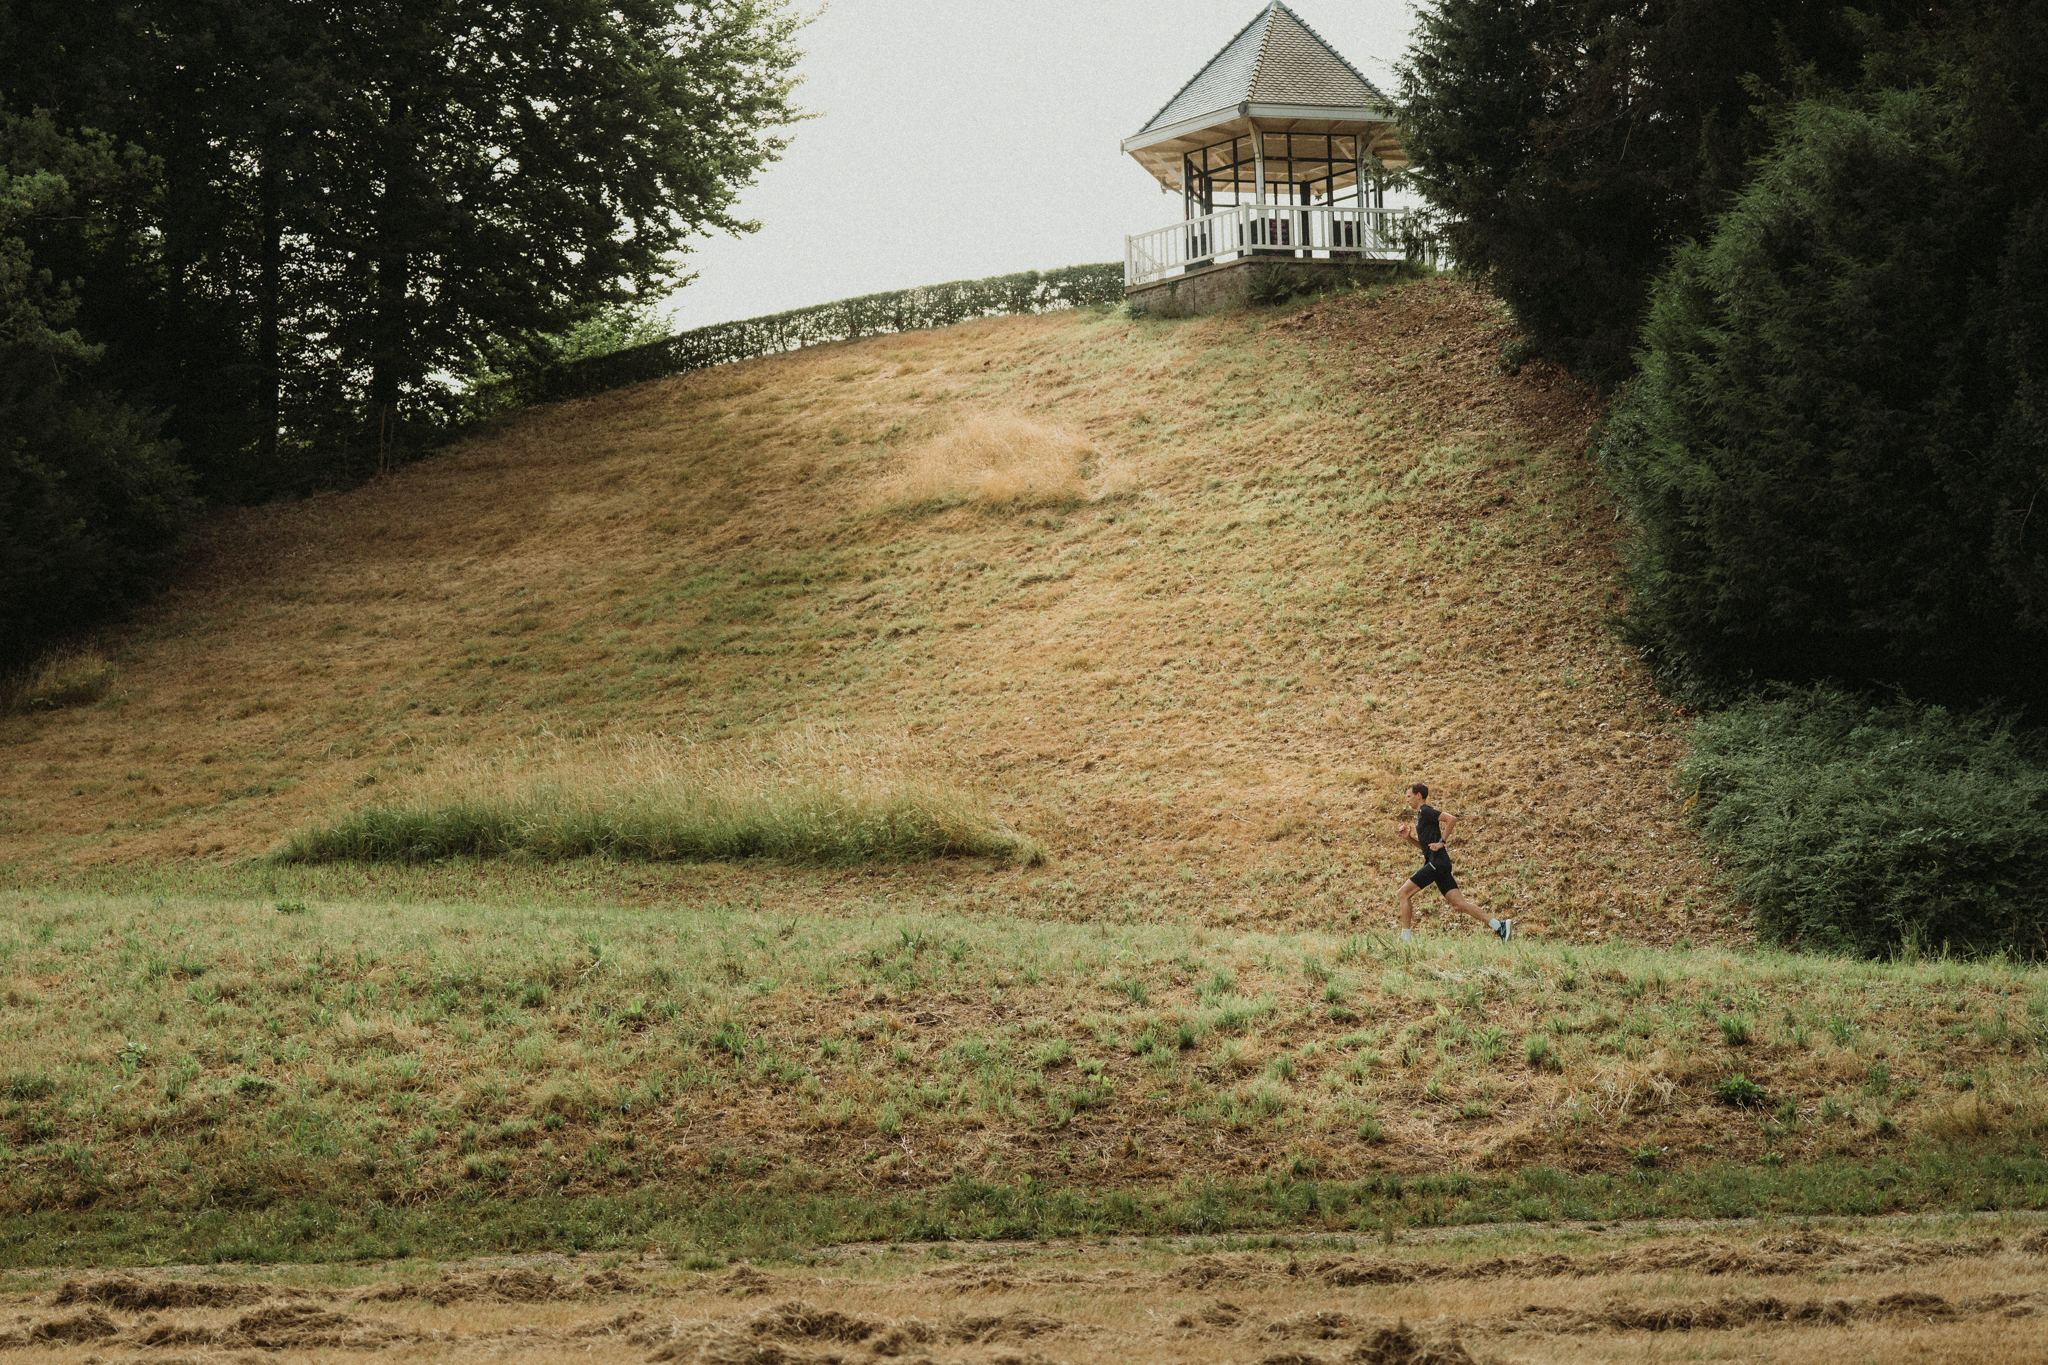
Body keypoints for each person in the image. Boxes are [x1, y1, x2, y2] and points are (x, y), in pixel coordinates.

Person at [1393, 782, 1511, 942]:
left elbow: (1451, 819)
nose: (1407, 800)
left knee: (1403, 893)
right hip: (1438, 863)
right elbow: (1426, 848)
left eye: (1409, 796)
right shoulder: (1421, 816)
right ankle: (1500, 926)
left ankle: (1405, 941)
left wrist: (1442, 841)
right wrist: (1409, 839)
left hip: (1437, 863)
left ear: (1418, 795)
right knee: (1459, 905)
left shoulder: (1426, 811)